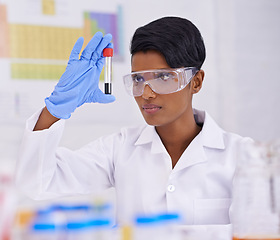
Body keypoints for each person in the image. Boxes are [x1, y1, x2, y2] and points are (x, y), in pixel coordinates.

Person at [16, 16, 250, 229]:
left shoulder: (243, 156)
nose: (146, 93)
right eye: (138, 79)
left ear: (196, 81)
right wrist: (56, 108)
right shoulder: (120, 148)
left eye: (163, 76)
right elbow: (37, 183)